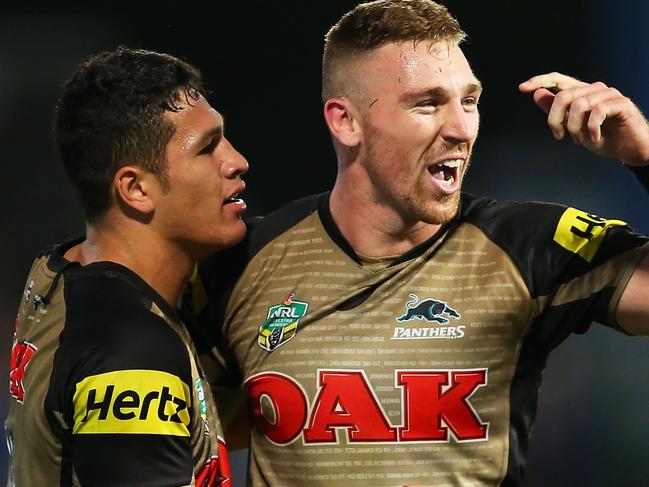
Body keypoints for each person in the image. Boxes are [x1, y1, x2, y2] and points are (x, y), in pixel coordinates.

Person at [189, 0, 649, 485]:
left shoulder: (527, 247)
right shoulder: (244, 261)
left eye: (468, 101)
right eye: (427, 103)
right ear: (345, 121)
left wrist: (644, 153)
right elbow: (186, 433)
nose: (460, 129)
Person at [5, 47, 248, 486]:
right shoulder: (132, 356)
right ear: (135, 188)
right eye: (208, 148)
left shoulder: (57, 269)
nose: (236, 161)